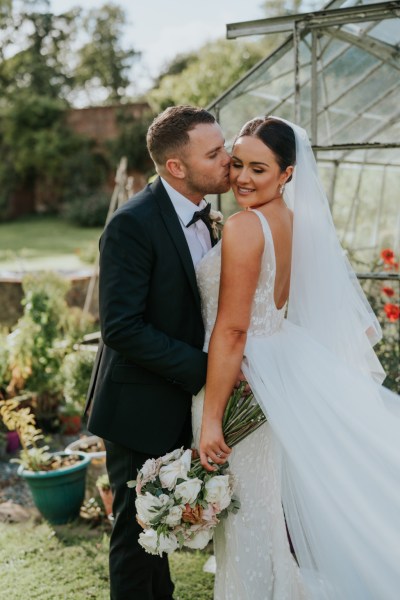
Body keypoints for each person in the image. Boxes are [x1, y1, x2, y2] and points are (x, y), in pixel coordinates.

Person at [192, 117, 400, 599]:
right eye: (237, 163)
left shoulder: (245, 226)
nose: (242, 177)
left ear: (287, 174)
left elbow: (234, 328)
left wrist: (212, 421)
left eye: (259, 169)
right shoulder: (291, 221)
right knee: (267, 512)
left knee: (248, 519)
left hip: (245, 380)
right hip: (283, 368)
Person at [85, 105, 230, 600]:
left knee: (158, 532)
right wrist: (205, 370)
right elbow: (121, 327)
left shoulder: (208, 216)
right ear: (177, 167)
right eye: (214, 153)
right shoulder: (132, 225)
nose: (227, 159)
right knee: (134, 533)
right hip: (136, 406)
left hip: (173, 400)